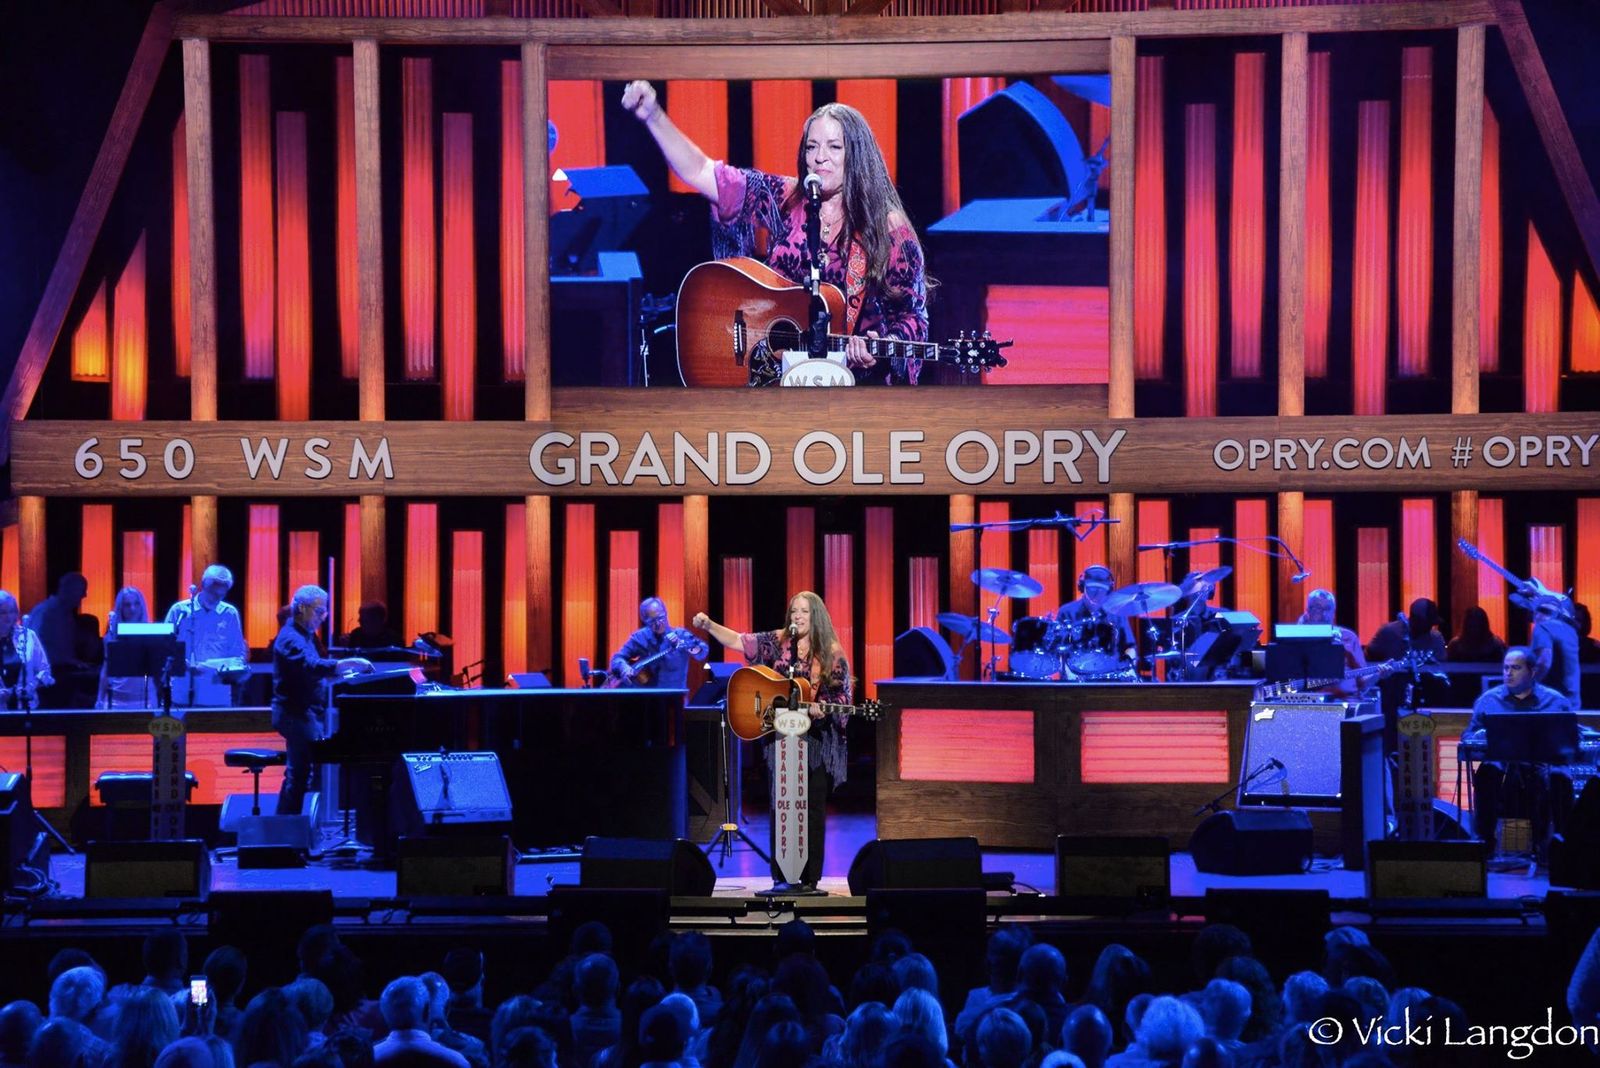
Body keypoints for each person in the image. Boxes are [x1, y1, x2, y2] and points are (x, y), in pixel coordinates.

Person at [620, 80, 929, 386]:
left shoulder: (889, 229)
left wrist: (882, 346)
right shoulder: (783, 198)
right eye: (812, 146)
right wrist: (653, 116)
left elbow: (914, 318)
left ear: (857, 154)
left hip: (854, 387)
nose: (820, 157)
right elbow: (701, 171)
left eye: (834, 147)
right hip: (774, 380)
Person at [693, 591, 851, 892]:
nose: (798, 617)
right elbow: (739, 641)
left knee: (810, 807)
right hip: (780, 738)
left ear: (816, 615)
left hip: (816, 741)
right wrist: (709, 625)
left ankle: (809, 880)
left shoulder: (831, 652)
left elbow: (844, 697)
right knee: (781, 806)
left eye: (804, 611)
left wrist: (821, 708)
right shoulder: (779, 642)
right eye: (794, 611)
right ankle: (781, 878)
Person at [273, 584, 372, 817]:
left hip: (304, 712)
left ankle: (289, 825)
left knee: (301, 774)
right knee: (300, 774)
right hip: (295, 713)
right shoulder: (290, 638)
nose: (324, 617)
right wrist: (350, 663)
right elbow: (311, 665)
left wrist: (340, 674)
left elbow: (312, 672)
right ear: (302, 609)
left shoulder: (306, 635)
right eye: (319, 611)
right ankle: (288, 827)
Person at [1466, 647, 1573, 855]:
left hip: (1543, 763)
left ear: (1532, 671)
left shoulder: (1556, 701)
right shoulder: (1489, 700)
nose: (1508, 673)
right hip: (1502, 763)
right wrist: (1479, 737)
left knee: (1559, 776)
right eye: (1506, 668)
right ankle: (1485, 843)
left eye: (1515, 668)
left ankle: (1561, 847)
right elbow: (1468, 737)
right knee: (1488, 772)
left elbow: (1569, 740)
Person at [164, 564, 249, 706]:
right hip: (182, 693)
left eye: (221, 594)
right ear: (202, 585)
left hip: (217, 695)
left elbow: (237, 654)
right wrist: (182, 663)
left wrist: (214, 668)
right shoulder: (179, 610)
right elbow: (165, 646)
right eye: (213, 592)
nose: (216, 598)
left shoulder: (230, 613)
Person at [609, 597, 710, 691]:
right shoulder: (640, 637)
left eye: (661, 617)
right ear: (645, 621)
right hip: (647, 699)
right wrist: (624, 667)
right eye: (652, 621)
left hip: (675, 698)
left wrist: (683, 644)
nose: (658, 624)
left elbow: (702, 652)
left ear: (666, 613)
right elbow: (617, 658)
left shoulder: (681, 634)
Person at [27, 573, 92, 707]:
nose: (84, 595)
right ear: (69, 589)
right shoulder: (45, 612)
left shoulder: (67, 614)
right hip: (47, 679)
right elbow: (34, 647)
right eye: (82, 590)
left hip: (63, 675)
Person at [1054, 566, 1136, 661]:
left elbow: (1130, 647)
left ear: (1108, 591)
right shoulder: (1067, 612)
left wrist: (1129, 663)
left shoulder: (1117, 613)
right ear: (1082, 587)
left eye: (1101, 589)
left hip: (1111, 667)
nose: (1096, 593)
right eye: (1092, 588)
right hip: (1074, 667)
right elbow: (1056, 648)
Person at [1298, 588, 1367, 696]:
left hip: (1344, 699)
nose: (1324, 614)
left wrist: (1378, 674)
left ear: (1334, 613)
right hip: (1307, 699)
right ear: (1308, 611)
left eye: (1328, 609)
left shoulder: (1348, 637)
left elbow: (1362, 679)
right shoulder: (1296, 637)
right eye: (1318, 608)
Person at [97, 587, 154, 709]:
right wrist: (99, 699)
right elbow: (106, 668)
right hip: (116, 700)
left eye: (136, 604)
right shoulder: (112, 635)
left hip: (145, 700)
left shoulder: (151, 633)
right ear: (120, 608)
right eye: (127, 605)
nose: (132, 609)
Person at [0, 591, 52, 712]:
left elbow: (44, 670)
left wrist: (31, 686)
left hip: (26, 708)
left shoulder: (28, 635)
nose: (8, 617)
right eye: (3, 612)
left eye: (12, 612)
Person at [1527, 598, 1580, 710]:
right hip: (1572, 702)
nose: (1539, 615)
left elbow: (1543, 662)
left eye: (1545, 611)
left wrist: (1528, 685)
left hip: (1549, 702)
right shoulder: (1570, 631)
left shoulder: (1542, 627)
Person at [1366, 596, 1447, 664]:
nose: (1429, 627)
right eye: (1426, 623)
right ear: (1415, 619)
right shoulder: (1389, 632)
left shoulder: (1436, 638)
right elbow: (1369, 656)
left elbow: (1443, 667)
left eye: (1432, 623)